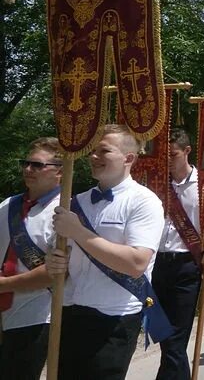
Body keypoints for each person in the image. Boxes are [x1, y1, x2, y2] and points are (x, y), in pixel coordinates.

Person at [45, 124, 167, 379]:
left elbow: (136, 263)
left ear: (129, 158)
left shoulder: (144, 202)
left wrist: (78, 231)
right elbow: (64, 257)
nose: (93, 157)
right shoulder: (74, 201)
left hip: (113, 318)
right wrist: (55, 262)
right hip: (70, 310)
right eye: (92, 151)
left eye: (104, 151)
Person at [153, 128, 204, 380]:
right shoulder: (156, 184)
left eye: (174, 154)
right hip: (157, 266)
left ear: (187, 151)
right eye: (165, 155)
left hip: (187, 268)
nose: (168, 159)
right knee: (161, 334)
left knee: (175, 340)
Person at [0, 137, 62, 379]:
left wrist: (3, 285)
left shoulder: (65, 211)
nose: (28, 169)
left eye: (37, 165)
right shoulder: (8, 205)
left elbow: (54, 272)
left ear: (60, 172)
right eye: (26, 163)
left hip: (36, 316)